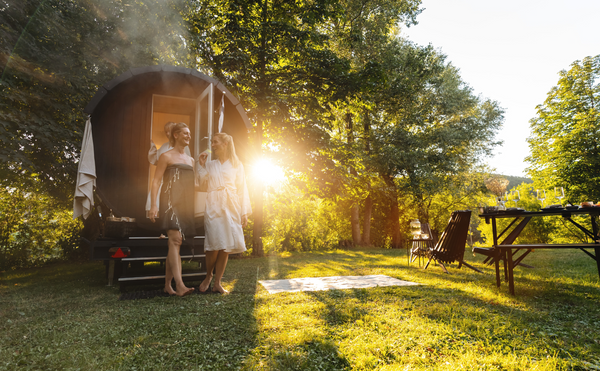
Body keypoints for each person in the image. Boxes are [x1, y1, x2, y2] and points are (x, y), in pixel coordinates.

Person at [196, 133, 251, 294]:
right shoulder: (211, 164)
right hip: (213, 204)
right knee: (213, 243)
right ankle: (208, 276)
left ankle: (218, 283)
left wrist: (244, 212)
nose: (212, 145)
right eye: (212, 142)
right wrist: (201, 165)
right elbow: (202, 184)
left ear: (225, 143)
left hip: (231, 205)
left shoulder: (237, 164)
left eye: (215, 142)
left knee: (225, 245)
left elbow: (242, 189)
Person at [149, 122, 195, 297]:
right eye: (185, 133)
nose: (188, 136)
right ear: (175, 135)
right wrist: (154, 205)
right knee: (175, 240)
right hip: (170, 202)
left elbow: (192, 185)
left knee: (174, 243)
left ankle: (167, 286)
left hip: (185, 204)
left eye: (189, 133)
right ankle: (180, 285)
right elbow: (156, 181)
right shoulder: (166, 156)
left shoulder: (191, 160)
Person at [146, 122, 191, 214]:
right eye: (165, 132)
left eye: (169, 131)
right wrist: (152, 146)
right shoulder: (163, 147)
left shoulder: (184, 148)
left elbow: (188, 167)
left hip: (177, 186)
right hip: (162, 182)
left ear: (175, 133)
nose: (167, 134)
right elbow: (156, 160)